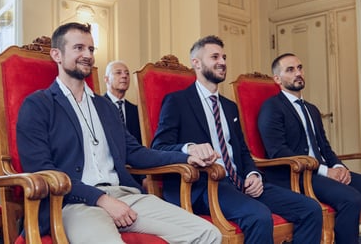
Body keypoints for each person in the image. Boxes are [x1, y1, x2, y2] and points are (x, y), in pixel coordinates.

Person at [16, 22, 222, 244]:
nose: (87, 55)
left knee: (208, 233)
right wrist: (101, 199)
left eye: (91, 49)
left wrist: (186, 156)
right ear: (56, 54)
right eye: (79, 48)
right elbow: (41, 169)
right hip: (70, 203)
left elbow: (135, 152)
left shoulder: (105, 107)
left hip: (124, 195)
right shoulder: (38, 105)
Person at [151, 35, 323, 243]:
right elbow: (159, 147)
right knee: (259, 216)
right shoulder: (177, 101)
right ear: (196, 63)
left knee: (310, 209)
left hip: (240, 182)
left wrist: (253, 174)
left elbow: (242, 150)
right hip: (202, 185)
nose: (222, 62)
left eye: (223, 57)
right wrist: (190, 149)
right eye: (215, 57)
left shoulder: (229, 106)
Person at [258, 52, 361, 244]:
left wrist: (338, 167)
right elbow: (277, 151)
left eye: (299, 68)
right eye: (290, 69)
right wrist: (324, 171)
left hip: (321, 172)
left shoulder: (311, 109)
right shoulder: (271, 107)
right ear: (277, 79)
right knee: (351, 199)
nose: (298, 73)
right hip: (293, 176)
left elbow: (325, 147)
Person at [104, 61, 142, 144]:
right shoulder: (98, 106)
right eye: (118, 73)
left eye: (127, 73)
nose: (124, 76)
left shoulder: (136, 110)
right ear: (106, 79)